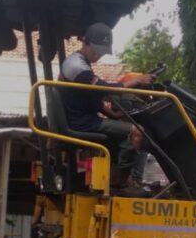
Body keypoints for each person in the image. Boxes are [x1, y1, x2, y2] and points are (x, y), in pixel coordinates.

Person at [60, 22, 154, 190]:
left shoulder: (80, 63)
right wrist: (137, 80)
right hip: (82, 123)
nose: (98, 55)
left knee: (127, 129)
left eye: (101, 52)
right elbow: (104, 89)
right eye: (95, 50)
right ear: (85, 43)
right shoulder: (77, 67)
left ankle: (118, 176)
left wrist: (114, 116)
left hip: (84, 118)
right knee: (138, 132)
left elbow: (92, 97)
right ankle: (121, 181)